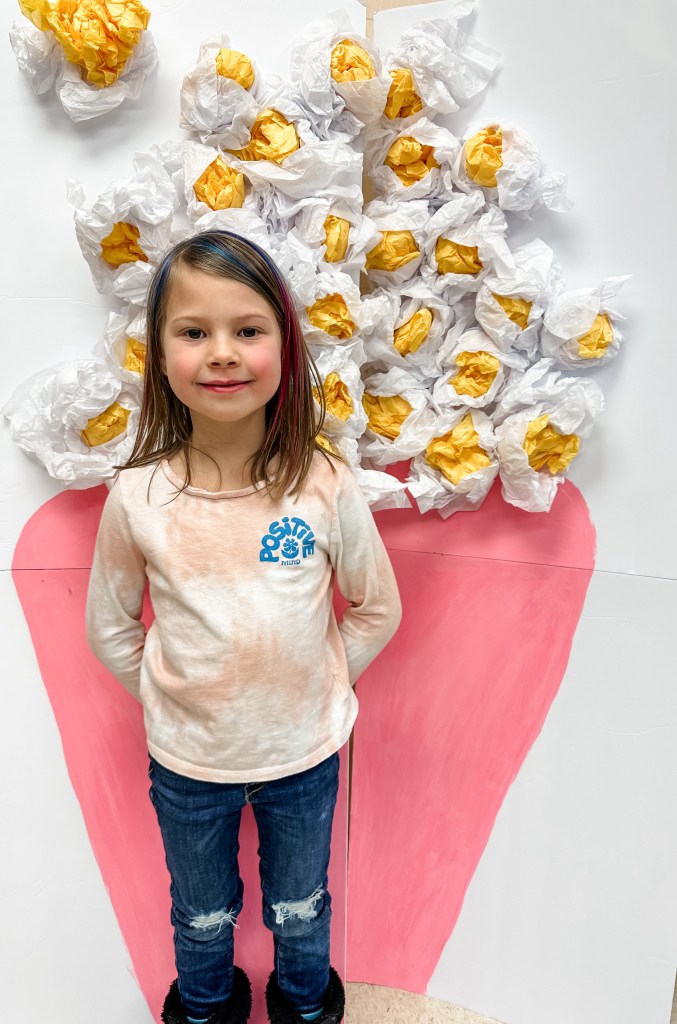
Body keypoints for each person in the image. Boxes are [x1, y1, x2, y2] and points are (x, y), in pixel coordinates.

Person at [86, 231, 402, 1024]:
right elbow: (111, 628)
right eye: (194, 331)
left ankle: (304, 1006)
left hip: (304, 758)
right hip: (187, 767)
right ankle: (203, 1010)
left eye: (248, 330)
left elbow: (376, 607)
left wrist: (317, 678)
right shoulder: (137, 497)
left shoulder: (323, 482)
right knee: (200, 916)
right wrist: (175, 696)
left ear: (284, 348)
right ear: (159, 355)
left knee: (300, 907)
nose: (222, 352)